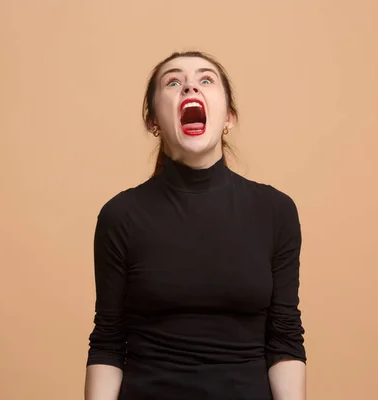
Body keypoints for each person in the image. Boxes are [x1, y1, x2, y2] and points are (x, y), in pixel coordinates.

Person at [84, 50, 307, 400]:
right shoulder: (121, 215)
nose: (190, 87)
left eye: (206, 80)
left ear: (229, 117)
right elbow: (108, 342)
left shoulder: (275, 211)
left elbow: (285, 339)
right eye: (173, 82)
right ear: (152, 122)